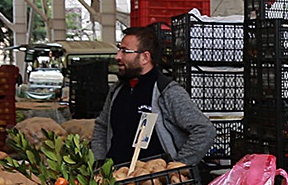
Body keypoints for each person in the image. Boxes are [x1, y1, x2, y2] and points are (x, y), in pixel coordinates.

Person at [91, 26, 220, 171]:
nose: (118, 56)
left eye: (125, 51)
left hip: (154, 184)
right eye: (119, 50)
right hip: (117, 181)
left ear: (145, 57)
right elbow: (102, 126)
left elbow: (204, 130)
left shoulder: (167, 92)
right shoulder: (117, 90)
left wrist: (178, 165)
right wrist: (99, 162)